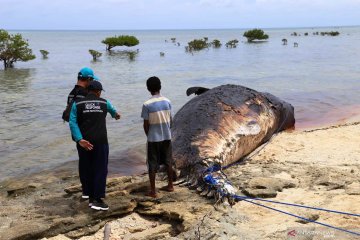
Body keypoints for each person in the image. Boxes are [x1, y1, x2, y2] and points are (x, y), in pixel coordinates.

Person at [69, 81, 120, 211]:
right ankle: (97, 199)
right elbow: (114, 111)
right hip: (100, 141)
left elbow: (72, 122)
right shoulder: (103, 102)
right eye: (100, 91)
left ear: (88, 91)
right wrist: (116, 115)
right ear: (98, 92)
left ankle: (87, 193)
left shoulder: (77, 104)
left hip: (84, 142)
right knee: (100, 169)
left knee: (86, 167)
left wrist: (80, 140)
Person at [141, 76, 174, 198]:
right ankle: (170, 185)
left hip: (153, 138)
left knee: (152, 164)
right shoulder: (167, 101)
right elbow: (171, 121)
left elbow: (146, 124)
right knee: (168, 161)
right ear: (160, 87)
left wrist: (149, 135)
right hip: (167, 136)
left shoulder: (147, 104)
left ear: (148, 89)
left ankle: (153, 191)